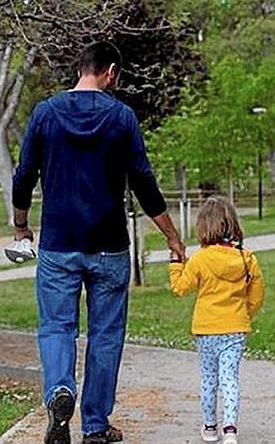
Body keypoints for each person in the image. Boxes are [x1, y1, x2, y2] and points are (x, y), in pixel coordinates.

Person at [12, 41, 185, 444]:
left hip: (58, 245)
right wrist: (172, 238)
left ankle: (59, 390)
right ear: (109, 72)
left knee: (56, 327)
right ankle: (95, 425)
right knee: (105, 335)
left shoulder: (45, 113)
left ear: (80, 69)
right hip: (109, 246)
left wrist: (21, 226)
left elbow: (23, 176)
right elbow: (143, 180)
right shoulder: (121, 117)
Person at [168, 196, 265, 444]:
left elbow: (180, 287)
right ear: (232, 223)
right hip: (236, 328)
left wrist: (175, 263)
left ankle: (210, 427)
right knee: (230, 377)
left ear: (203, 227)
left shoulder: (200, 259)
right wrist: (245, 314)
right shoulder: (246, 258)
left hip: (207, 329)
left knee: (210, 378)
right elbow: (257, 294)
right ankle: (230, 429)